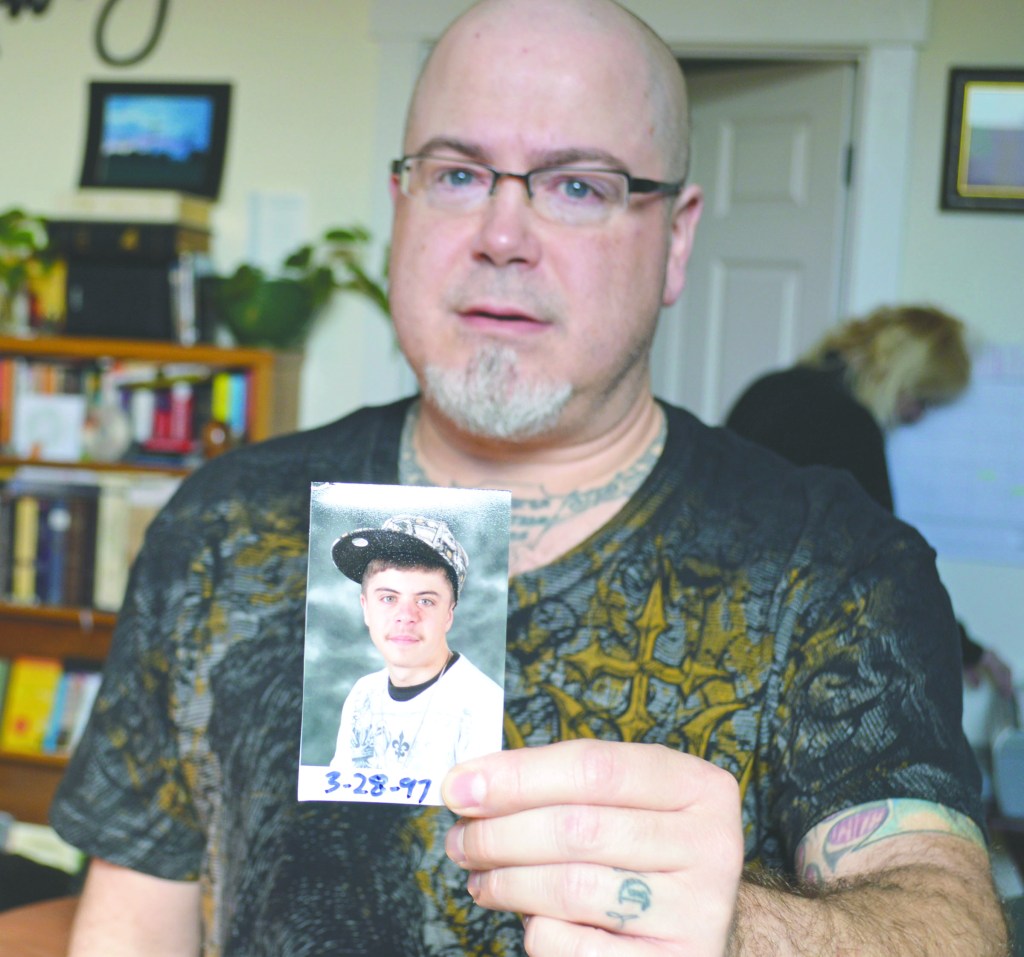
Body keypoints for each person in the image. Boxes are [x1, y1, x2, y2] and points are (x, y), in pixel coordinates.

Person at [50, 2, 1009, 955]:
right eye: (457, 174)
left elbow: (948, 923)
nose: (502, 235)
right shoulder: (221, 525)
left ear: (676, 240)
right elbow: (132, 919)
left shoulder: (835, 563)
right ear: (401, 205)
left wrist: (746, 931)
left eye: (579, 186)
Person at [725, 304, 1015, 699]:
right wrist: (963, 649)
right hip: (775, 655)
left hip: (718, 627)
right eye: (922, 399)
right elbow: (888, 571)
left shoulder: (767, 389)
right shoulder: (850, 426)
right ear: (899, 375)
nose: (916, 416)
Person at [328, 514, 503, 790]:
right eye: (388, 598)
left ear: (449, 615)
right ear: (366, 608)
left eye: (425, 601)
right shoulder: (362, 695)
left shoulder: (484, 706)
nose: (406, 616)